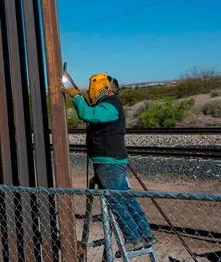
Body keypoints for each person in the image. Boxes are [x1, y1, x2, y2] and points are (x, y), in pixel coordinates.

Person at [63, 73, 157, 251]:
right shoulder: (109, 104)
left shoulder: (111, 105)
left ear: (100, 88)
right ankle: (145, 234)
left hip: (109, 161)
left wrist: (76, 97)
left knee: (116, 200)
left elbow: (87, 114)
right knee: (127, 198)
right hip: (112, 160)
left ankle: (133, 238)